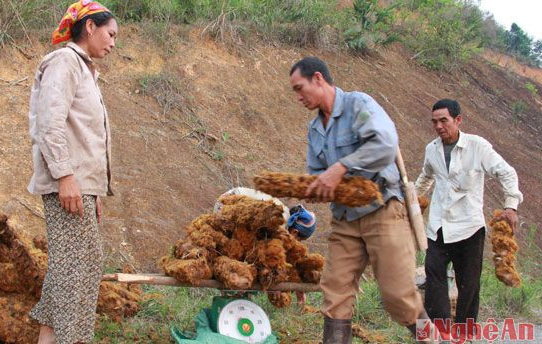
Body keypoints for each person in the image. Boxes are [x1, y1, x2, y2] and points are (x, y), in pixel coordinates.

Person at [289, 56, 430, 343]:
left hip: (382, 210)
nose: (298, 97)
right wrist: (313, 187)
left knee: (398, 296)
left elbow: (386, 145)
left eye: (299, 88)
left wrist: (340, 168)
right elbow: (317, 172)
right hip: (345, 220)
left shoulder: (358, 105)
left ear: (318, 78)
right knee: (335, 291)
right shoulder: (315, 130)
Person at [27, 1, 117, 343]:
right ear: (90, 27)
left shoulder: (84, 69)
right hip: (67, 183)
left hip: (81, 187)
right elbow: (50, 124)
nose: (113, 43)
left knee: (75, 266)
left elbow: (85, 136)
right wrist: (65, 176)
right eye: (110, 34)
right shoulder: (65, 62)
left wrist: (93, 190)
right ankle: (73, 338)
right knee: (77, 270)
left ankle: (50, 337)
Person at [415, 99, 522, 340]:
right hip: (439, 226)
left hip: (469, 227)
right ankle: (441, 331)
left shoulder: (477, 146)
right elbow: (425, 178)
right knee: (434, 275)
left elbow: (506, 172)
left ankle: (464, 334)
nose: (439, 126)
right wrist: (410, 198)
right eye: (435, 122)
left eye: (444, 120)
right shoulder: (432, 149)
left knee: (469, 285)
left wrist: (511, 206)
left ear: (458, 120)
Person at [214, 187, 316, 305]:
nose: (297, 242)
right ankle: (232, 301)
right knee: (235, 251)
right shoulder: (280, 221)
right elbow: (268, 255)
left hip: (229, 201)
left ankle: (235, 300)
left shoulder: (284, 216)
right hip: (229, 205)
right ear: (295, 233)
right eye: (299, 239)